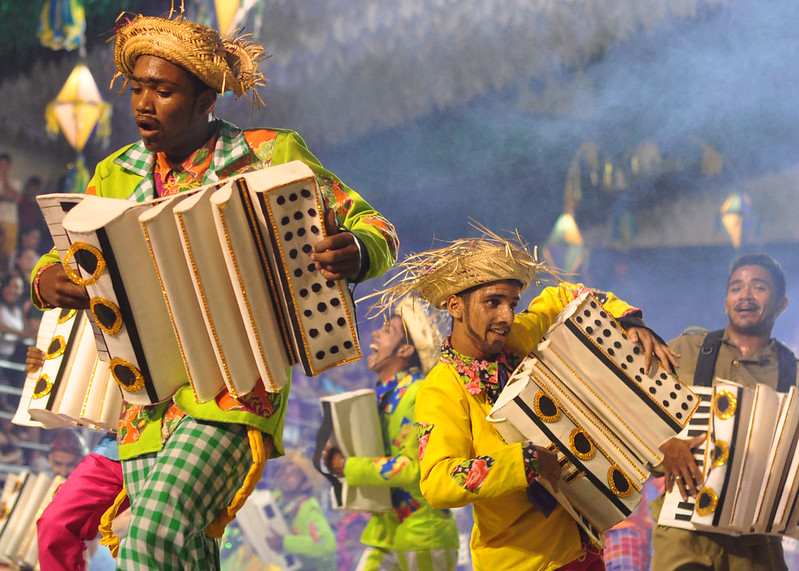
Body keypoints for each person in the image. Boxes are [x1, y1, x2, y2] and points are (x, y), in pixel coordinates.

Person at [29, 13, 398, 571]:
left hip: (235, 388)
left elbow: (376, 227)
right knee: (177, 551)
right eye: (137, 88)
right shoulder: (114, 173)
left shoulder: (269, 154)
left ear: (207, 99)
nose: (143, 104)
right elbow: (60, 257)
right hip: (143, 407)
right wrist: (45, 279)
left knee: (153, 531)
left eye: (164, 90)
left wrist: (358, 248)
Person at [371, 229, 676, 570]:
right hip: (523, 563)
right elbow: (438, 481)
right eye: (493, 302)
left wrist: (628, 320)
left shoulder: (517, 337)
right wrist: (522, 462)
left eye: (512, 303)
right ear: (455, 304)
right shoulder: (441, 388)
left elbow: (565, 294)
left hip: (585, 548)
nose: (507, 316)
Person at [651, 252, 795, 571]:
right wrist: (662, 446)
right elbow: (626, 406)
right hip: (683, 538)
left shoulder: (793, 373)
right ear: (726, 301)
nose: (745, 294)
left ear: (782, 303)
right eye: (736, 287)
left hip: (759, 546)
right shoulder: (686, 351)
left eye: (758, 287)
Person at [324, 296, 460, 570]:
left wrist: (347, 466)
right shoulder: (386, 394)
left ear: (405, 349)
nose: (375, 332)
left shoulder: (418, 393)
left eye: (388, 330)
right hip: (389, 532)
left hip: (424, 536)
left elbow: (415, 469)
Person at [21, 345, 124, 571]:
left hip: (176, 430)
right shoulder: (36, 474)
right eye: (58, 463)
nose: (63, 470)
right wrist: (48, 367)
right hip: (117, 443)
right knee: (53, 525)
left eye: (68, 463)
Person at [267, 449, 337, 570]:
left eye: (293, 474)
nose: (285, 477)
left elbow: (327, 546)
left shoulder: (309, 508)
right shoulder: (275, 498)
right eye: (284, 472)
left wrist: (284, 543)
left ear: (306, 484)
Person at [0, 153, 20, 268]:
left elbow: (15, 197)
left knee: (8, 250)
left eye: (4, 165)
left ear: (9, 167)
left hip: (9, 220)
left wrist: (5, 180)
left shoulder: (14, 183)